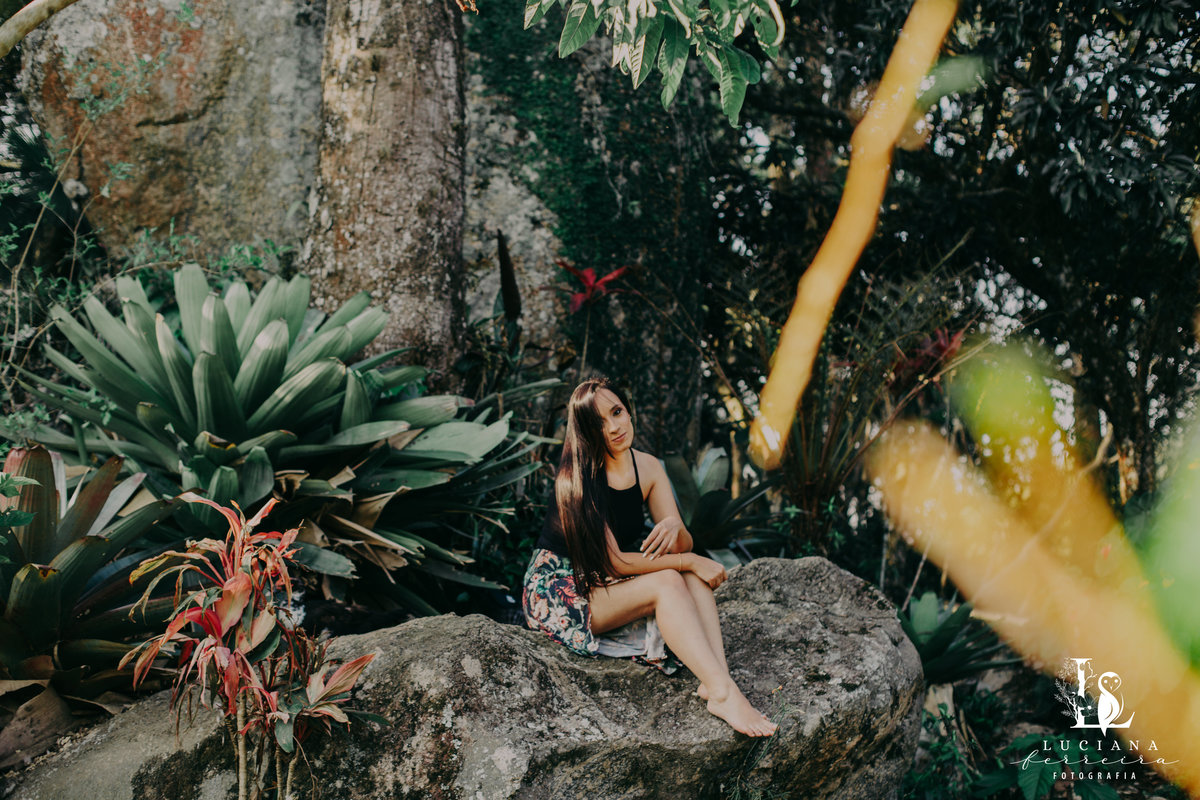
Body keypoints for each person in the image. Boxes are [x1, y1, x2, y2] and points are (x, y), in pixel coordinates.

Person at [522, 378, 777, 737]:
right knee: (674, 577)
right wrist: (688, 560)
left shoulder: (649, 468)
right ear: (585, 431)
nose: (613, 427)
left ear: (629, 410)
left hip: (606, 582)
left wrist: (675, 526)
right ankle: (723, 691)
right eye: (599, 422)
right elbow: (615, 563)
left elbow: (681, 545)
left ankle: (718, 685)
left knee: (690, 578)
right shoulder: (579, 479)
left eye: (617, 412)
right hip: (561, 586)